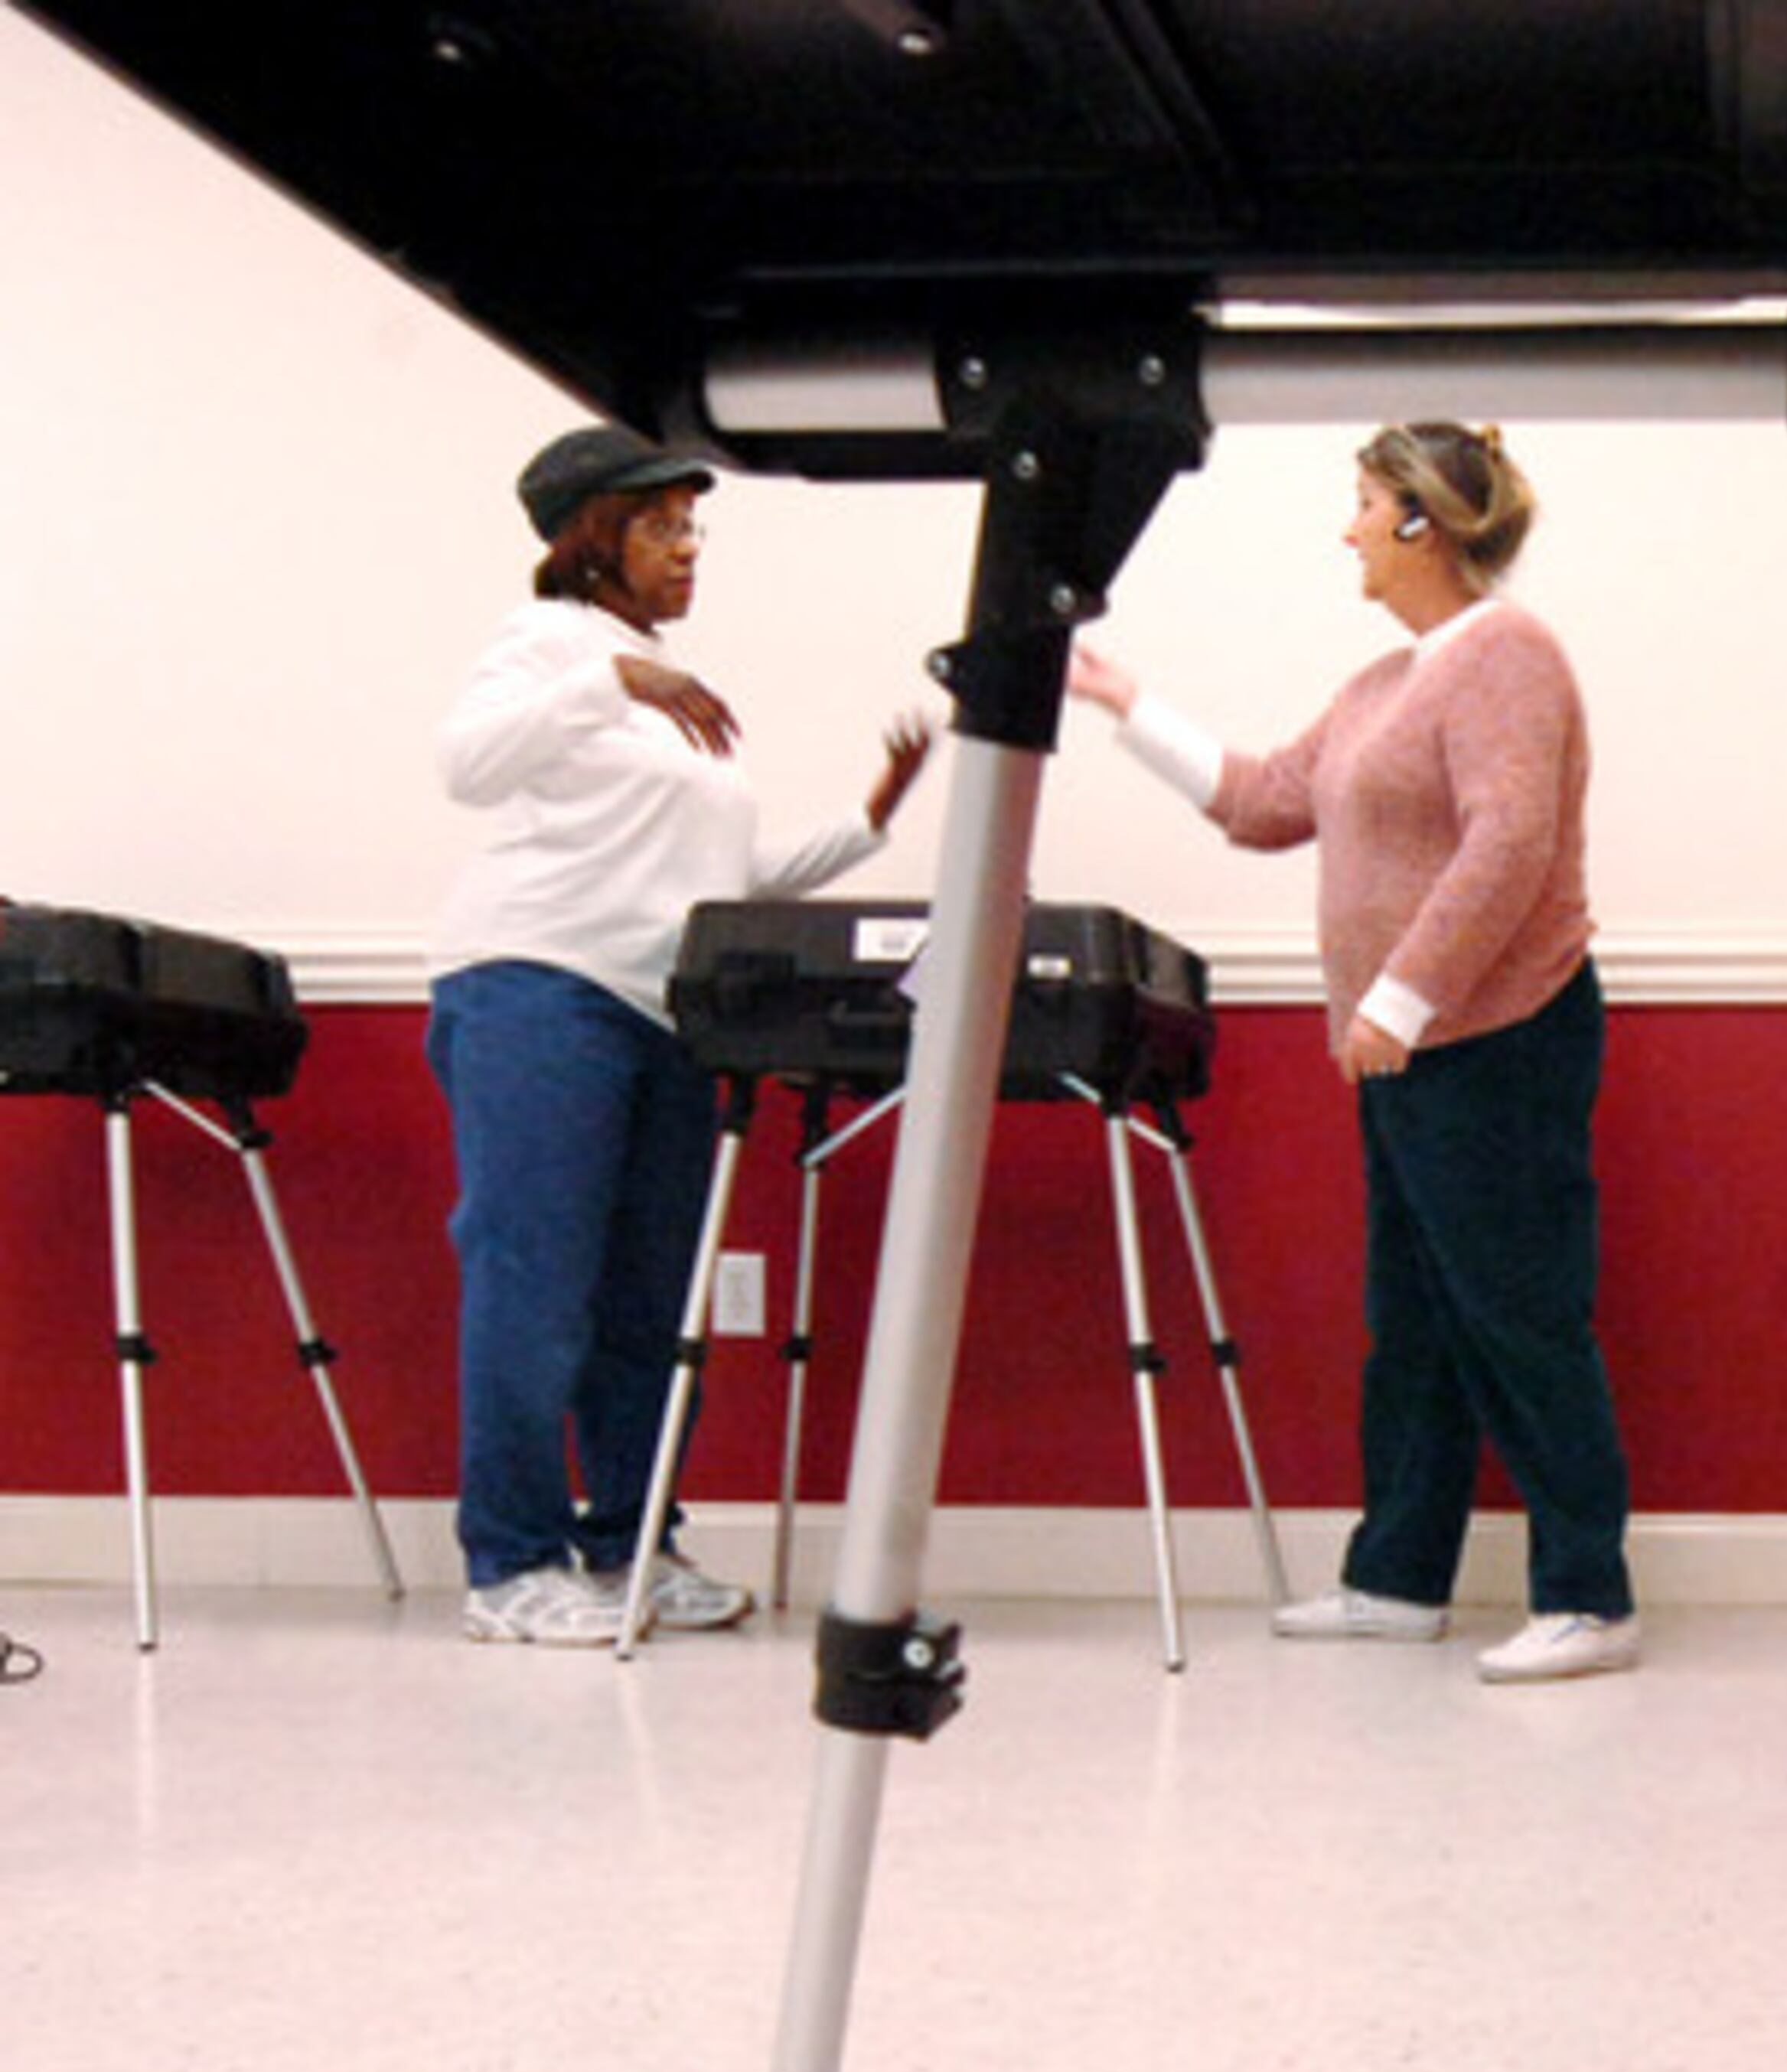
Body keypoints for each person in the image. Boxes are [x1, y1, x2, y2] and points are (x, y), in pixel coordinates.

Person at [1067, 421, 1638, 1683]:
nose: (1350, 531)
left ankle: (1591, 1594)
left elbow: (1509, 846)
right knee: (1417, 1322)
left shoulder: (1506, 654)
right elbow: (1268, 798)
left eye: (1366, 505)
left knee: (1521, 1311)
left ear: (1424, 522)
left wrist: (1402, 997)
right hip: (1409, 1052)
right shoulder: (1384, 686)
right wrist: (1127, 708)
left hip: (1499, 1036)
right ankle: (1397, 1579)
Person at [429, 424, 931, 1645]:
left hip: (659, 1011)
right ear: (590, 537)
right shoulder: (553, 643)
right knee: (533, 1287)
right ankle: (510, 1568)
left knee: (650, 1304)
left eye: (692, 528)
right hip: (538, 987)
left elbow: (725, 876)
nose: (687, 550)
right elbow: (466, 767)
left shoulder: (658, 695)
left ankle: (632, 1545)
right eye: (662, 527)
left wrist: (870, 821)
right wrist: (611, 680)